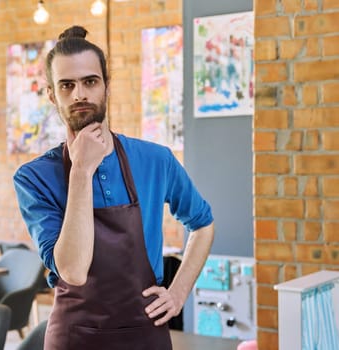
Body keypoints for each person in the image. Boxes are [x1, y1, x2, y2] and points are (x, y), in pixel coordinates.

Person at [13, 25, 214, 350]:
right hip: (74, 339)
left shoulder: (154, 159)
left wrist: (178, 293)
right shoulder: (34, 178)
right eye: (67, 85)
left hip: (145, 333)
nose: (79, 94)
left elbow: (202, 224)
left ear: (106, 86)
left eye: (90, 82)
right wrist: (81, 170)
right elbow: (74, 271)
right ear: (51, 94)